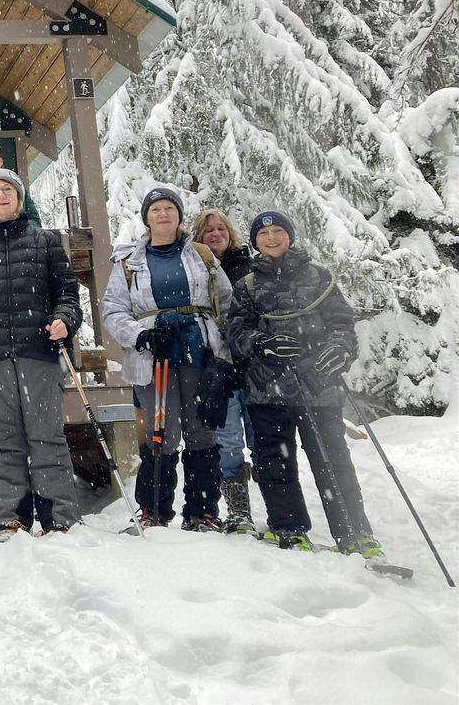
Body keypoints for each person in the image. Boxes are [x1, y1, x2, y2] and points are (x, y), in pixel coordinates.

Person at [226, 210, 383, 557]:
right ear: (254, 241)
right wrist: (261, 343)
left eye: (277, 231)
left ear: (290, 236)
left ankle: (354, 532)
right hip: (268, 387)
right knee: (273, 462)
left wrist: (339, 349)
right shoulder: (247, 285)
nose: (271, 238)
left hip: (318, 386)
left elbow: (342, 323)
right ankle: (289, 526)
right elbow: (236, 332)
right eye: (263, 233)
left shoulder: (319, 277)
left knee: (333, 462)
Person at [0, 169, 83, 541]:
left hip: (37, 352)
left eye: (8, 189)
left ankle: (59, 519)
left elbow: (68, 294)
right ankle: (10, 519)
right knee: (3, 440)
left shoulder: (45, 242)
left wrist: (64, 319)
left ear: (19, 198)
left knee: (46, 437)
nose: (1, 195)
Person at [101, 187, 234, 531]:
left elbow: (226, 302)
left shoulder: (202, 255)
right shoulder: (128, 262)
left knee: (201, 430)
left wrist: (226, 351)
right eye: (156, 209)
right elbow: (113, 310)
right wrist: (140, 334)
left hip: (199, 349)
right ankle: (154, 511)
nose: (163, 214)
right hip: (152, 352)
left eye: (169, 208)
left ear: (178, 214)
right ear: (146, 218)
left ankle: (202, 511)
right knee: (161, 432)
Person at [191, 208, 256, 533]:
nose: (216, 234)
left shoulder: (248, 266)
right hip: (218, 365)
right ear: (199, 238)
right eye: (208, 231)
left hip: (255, 366)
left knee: (262, 439)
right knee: (229, 440)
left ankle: (280, 508)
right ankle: (239, 511)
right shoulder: (196, 269)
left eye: (221, 228)